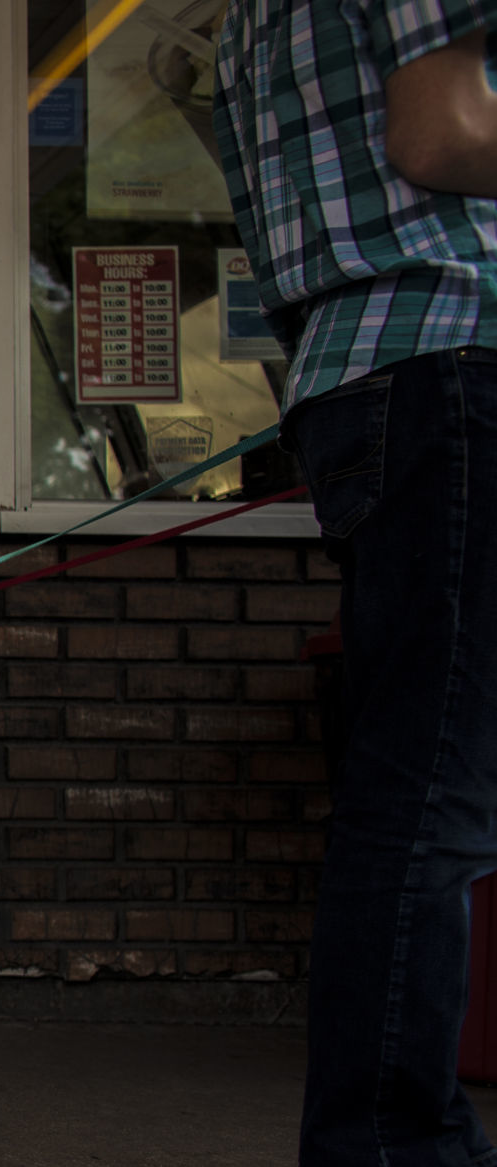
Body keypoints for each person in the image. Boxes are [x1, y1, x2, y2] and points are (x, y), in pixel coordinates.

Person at [215, 3, 497, 1161]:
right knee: (431, 792)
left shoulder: (243, 21)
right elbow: (439, 137)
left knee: (422, 780)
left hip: (362, 372)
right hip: (449, 347)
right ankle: (389, 1144)